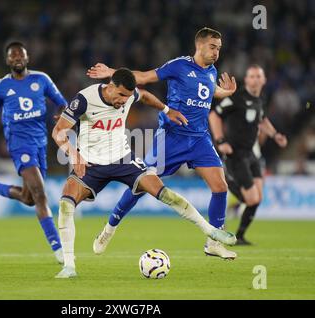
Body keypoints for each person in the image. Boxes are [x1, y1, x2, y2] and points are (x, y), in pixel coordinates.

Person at [52, 68, 236, 278]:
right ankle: (69, 266)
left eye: (128, 97)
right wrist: (74, 155)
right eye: (121, 95)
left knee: (164, 192)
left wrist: (167, 110)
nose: (124, 101)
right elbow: (58, 131)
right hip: (91, 164)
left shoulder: (129, 96)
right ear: (110, 85)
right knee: (66, 203)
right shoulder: (86, 98)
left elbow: (146, 96)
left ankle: (210, 231)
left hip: (124, 159)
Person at [87, 27, 237, 259]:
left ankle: (213, 242)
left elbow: (208, 90)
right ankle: (109, 228)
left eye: (219, 48)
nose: (217, 52)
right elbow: (144, 77)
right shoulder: (179, 65)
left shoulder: (211, 71)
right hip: (172, 137)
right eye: (212, 47)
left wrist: (225, 93)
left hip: (199, 139)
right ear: (199, 45)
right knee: (139, 184)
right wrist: (113, 72)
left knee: (220, 187)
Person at [0, 41, 68, 263]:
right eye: (13, 56)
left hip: (40, 143)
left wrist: (61, 113)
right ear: (7, 61)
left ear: (27, 58)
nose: (17, 59)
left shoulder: (41, 79)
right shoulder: (1, 87)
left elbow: (62, 102)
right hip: (18, 143)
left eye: (20, 56)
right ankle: (59, 250)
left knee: (29, 198)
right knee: (41, 194)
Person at [209, 64, 288, 245]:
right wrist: (221, 141)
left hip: (252, 154)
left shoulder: (260, 100)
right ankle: (227, 183)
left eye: (258, 76)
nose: (255, 80)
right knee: (251, 198)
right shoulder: (237, 97)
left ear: (264, 80)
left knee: (257, 198)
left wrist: (275, 135)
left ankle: (241, 237)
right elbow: (214, 115)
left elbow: (263, 120)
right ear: (246, 80)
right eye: (251, 76)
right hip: (236, 154)